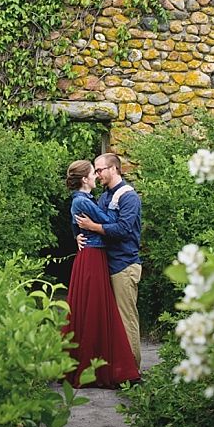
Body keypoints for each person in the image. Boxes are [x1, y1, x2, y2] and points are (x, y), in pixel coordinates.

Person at [61, 160, 140, 388]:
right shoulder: (94, 198)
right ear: (85, 179)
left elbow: (122, 228)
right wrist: (78, 234)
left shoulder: (127, 196)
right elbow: (97, 222)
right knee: (98, 314)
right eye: (93, 172)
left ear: (113, 169)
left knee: (123, 318)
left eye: (100, 170)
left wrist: (89, 228)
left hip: (123, 263)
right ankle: (116, 369)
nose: (97, 174)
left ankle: (130, 370)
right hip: (100, 260)